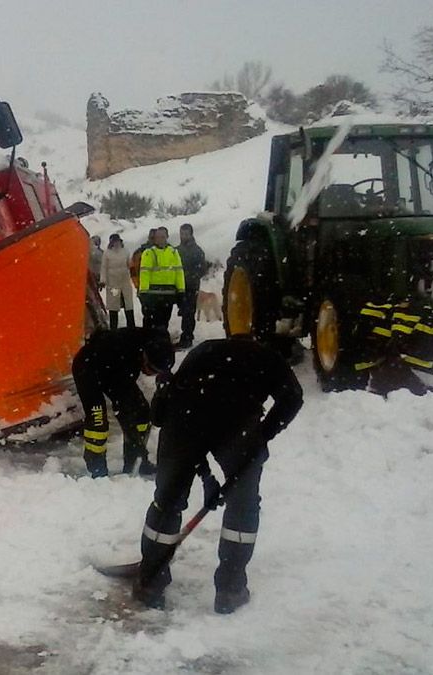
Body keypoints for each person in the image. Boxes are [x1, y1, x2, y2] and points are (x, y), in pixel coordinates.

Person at [132, 336, 303, 614]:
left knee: (168, 500)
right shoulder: (270, 358)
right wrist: (262, 436)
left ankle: (150, 582)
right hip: (235, 423)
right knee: (242, 507)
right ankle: (231, 590)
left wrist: (206, 473)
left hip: (184, 419)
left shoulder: (204, 350)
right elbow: (293, 398)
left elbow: (188, 416)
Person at [72, 327, 175, 478]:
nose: (150, 374)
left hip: (114, 370)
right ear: (144, 357)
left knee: (142, 414)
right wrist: (134, 439)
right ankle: (97, 470)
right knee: (98, 423)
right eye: (150, 370)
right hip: (88, 369)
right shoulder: (123, 354)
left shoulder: (158, 342)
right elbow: (122, 409)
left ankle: (136, 463)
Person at [138, 227, 185, 332]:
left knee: (164, 321)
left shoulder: (173, 252)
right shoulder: (148, 253)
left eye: (162, 237)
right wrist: (144, 292)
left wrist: (181, 290)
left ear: (167, 237)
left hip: (168, 294)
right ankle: (150, 342)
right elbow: (145, 273)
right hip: (153, 294)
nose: (160, 239)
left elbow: (179, 272)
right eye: (158, 237)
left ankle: (161, 342)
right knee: (151, 322)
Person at [175, 223, 206, 349]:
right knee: (183, 311)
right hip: (178, 287)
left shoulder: (197, 251)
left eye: (186, 234)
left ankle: (187, 338)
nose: (183, 236)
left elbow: (202, 269)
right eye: (182, 234)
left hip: (190, 287)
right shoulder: (176, 250)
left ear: (191, 234)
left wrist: (189, 277)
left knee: (188, 313)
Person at [100, 233, 135, 329]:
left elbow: (130, 265)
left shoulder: (125, 251)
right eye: (114, 241)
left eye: (117, 241)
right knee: (113, 307)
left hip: (125, 283)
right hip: (113, 284)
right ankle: (113, 328)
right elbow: (104, 267)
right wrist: (103, 280)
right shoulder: (107, 253)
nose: (116, 243)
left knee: (128, 306)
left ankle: (131, 327)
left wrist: (133, 270)